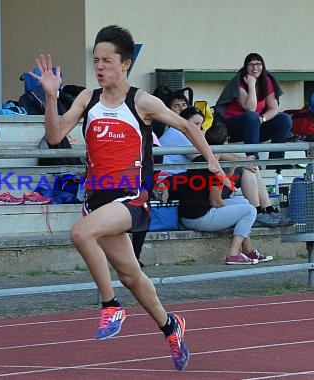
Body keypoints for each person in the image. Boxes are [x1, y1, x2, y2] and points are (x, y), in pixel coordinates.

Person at [31, 25, 226, 371]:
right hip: (97, 200)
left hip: (132, 198)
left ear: (126, 64)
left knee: (80, 233)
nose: (100, 67)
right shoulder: (86, 99)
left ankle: (110, 305)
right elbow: (55, 135)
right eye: (95, 61)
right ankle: (170, 326)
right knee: (132, 276)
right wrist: (50, 96)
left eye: (107, 61)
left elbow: (189, 127)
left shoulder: (141, 102)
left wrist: (211, 162)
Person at [176, 126, 273, 265]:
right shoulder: (215, 167)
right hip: (199, 218)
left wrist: (229, 175)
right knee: (250, 210)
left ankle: (249, 250)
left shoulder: (198, 159)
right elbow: (216, 202)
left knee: (244, 202)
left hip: (188, 214)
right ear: (226, 142)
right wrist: (227, 209)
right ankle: (233, 254)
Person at [215, 53, 292, 170]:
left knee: (284, 119)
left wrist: (262, 119)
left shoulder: (267, 80)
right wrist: (251, 84)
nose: (255, 68)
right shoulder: (239, 81)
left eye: (258, 64)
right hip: (233, 128)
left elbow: (273, 109)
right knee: (251, 116)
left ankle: (276, 163)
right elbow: (250, 108)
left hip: (254, 127)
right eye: (251, 64)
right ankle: (253, 160)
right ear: (246, 67)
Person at [204, 120, 281, 228]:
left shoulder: (194, 132)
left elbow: (217, 153)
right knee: (247, 168)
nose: (199, 126)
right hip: (204, 189)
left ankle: (268, 209)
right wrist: (241, 161)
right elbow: (210, 153)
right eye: (196, 123)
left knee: (251, 165)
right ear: (227, 140)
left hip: (215, 184)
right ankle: (258, 211)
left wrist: (242, 160)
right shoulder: (189, 134)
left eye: (199, 123)